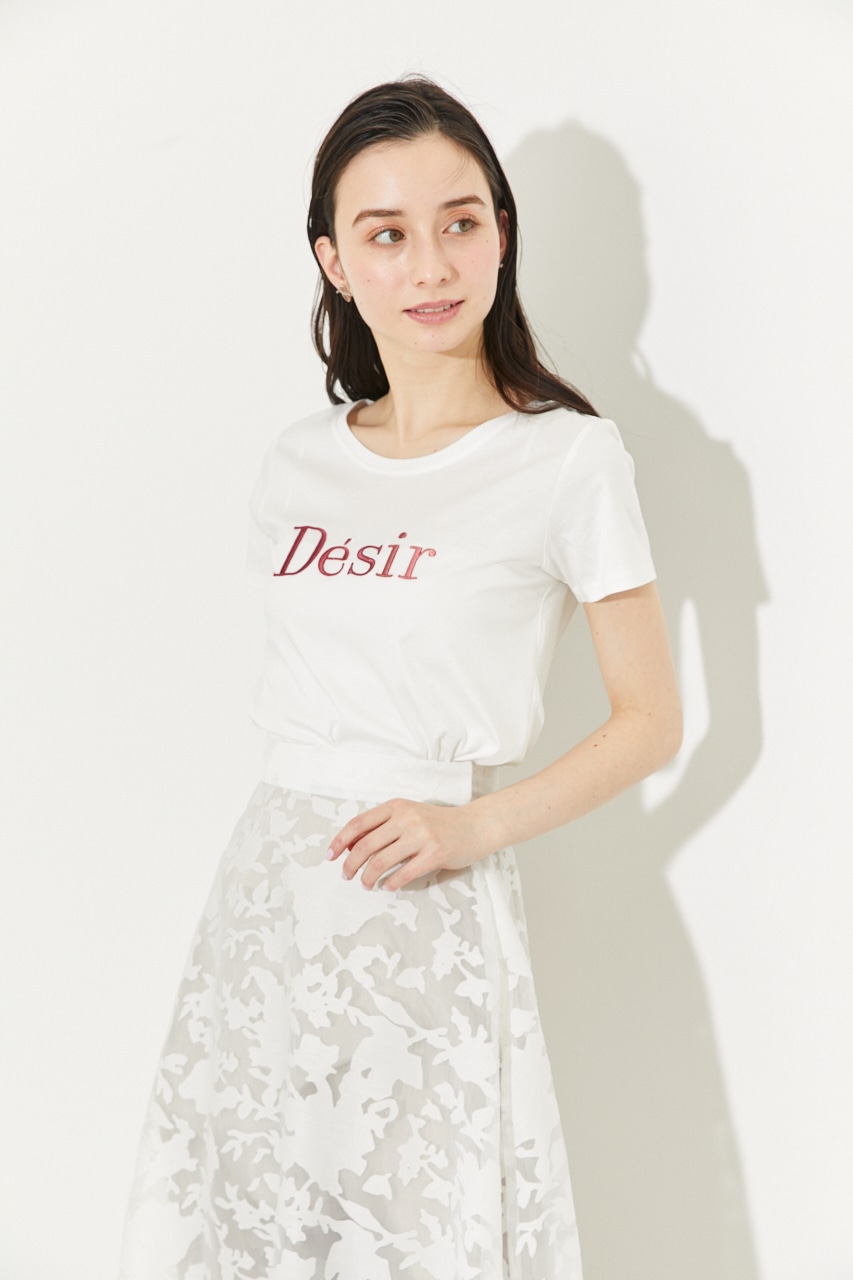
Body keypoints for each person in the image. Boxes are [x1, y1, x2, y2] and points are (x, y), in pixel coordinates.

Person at [118, 76, 682, 1280]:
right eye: (385, 234)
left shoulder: (566, 459)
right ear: (333, 261)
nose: (430, 263)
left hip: (428, 898)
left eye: (459, 221)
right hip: (270, 899)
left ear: (500, 234)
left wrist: (471, 824)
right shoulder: (297, 460)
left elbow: (650, 720)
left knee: (417, 1231)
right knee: (251, 1220)